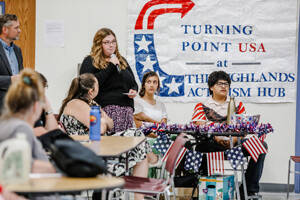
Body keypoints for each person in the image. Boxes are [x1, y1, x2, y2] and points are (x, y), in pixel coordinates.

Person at [59, 73, 149, 200]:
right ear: (91, 91)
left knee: (139, 143)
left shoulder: (91, 103)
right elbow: (99, 129)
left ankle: (138, 196)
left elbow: (110, 124)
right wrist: (104, 119)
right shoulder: (77, 104)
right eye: (98, 85)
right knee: (138, 139)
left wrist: (104, 120)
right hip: (87, 151)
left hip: (99, 146)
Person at [191, 70, 267, 199]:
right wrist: (217, 138)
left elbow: (244, 128)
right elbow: (200, 125)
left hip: (234, 144)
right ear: (211, 87)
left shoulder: (237, 105)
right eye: (220, 84)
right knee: (200, 146)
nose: (224, 86)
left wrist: (236, 140)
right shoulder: (202, 105)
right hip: (212, 144)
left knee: (261, 146)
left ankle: (249, 190)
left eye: (226, 84)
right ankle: (206, 188)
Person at [80, 28, 138, 132]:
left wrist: (134, 90)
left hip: (127, 111)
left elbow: (133, 82)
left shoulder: (121, 60)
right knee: (111, 146)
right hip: (106, 111)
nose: (111, 45)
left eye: (113, 41)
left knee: (127, 146)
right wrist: (110, 66)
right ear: (99, 44)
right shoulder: (90, 61)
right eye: (106, 42)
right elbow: (88, 84)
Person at [0, 68, 55, 174]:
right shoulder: (21, 128)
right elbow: (20, 164)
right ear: (35, 106)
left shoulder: (5, 124)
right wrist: (58, 168)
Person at [134, 71, 167, 167]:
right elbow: (138, 125)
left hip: (160, 139)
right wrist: (156, 128)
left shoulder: (161, 104)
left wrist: (152, 124)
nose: (151, 85)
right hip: (144, 141)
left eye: (154, 82)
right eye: (148, 82)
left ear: (158, 85)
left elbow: (164, 125)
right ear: (144, 85)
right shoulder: (137, 102)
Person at [0, 14, 23, 111]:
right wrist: (10, 80)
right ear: (5, 30)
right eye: (16, 28)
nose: (19, 30)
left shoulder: (17, 50)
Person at [33, 72, 59, 136]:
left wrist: (48, 107)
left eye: (44, 86)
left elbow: (53, 132)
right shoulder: (20, 107)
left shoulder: (41, 106)